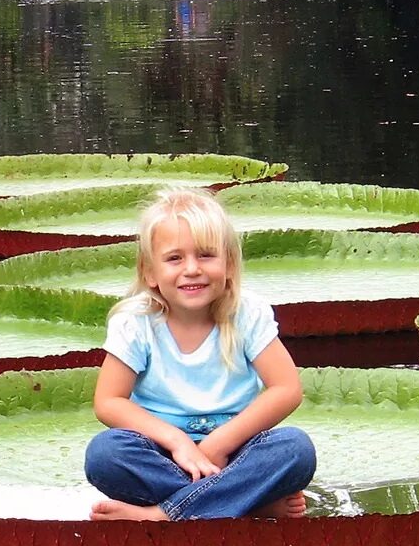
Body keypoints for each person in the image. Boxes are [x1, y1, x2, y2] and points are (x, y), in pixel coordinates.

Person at [84, 186, 316, 521]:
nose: (192, 269)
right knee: (105, 454)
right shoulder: (135, 322)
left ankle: (163, 515)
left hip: (237, 449)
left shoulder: (247, 313)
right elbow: (109, 402)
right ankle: (245, 503)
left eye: (206, 255)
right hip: (163, 454)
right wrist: (178, 442)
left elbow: (286, 389)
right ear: (150, 272)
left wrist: (218, 445)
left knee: (295, 449)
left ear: (230, 265)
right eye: (175, 258)